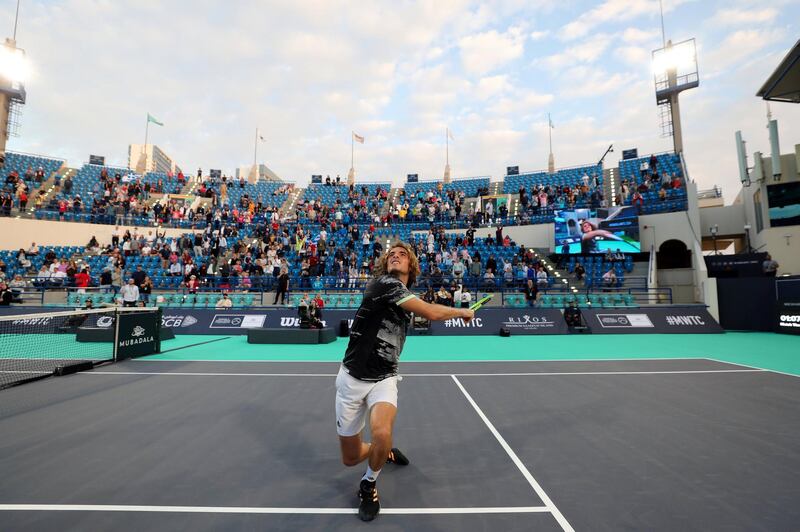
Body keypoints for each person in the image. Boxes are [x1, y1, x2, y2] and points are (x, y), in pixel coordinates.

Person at [336, 242, 474, 521]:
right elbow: (432, 313)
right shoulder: (384, 284)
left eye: (402, 255)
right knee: (350, 458)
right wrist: (462, 311)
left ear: (411, 266)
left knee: (382, 433)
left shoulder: (405, 295)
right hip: (351, 379)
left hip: (385, 377)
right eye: (391, 255)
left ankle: (369, 483)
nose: (395, 256)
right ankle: (383, 453)